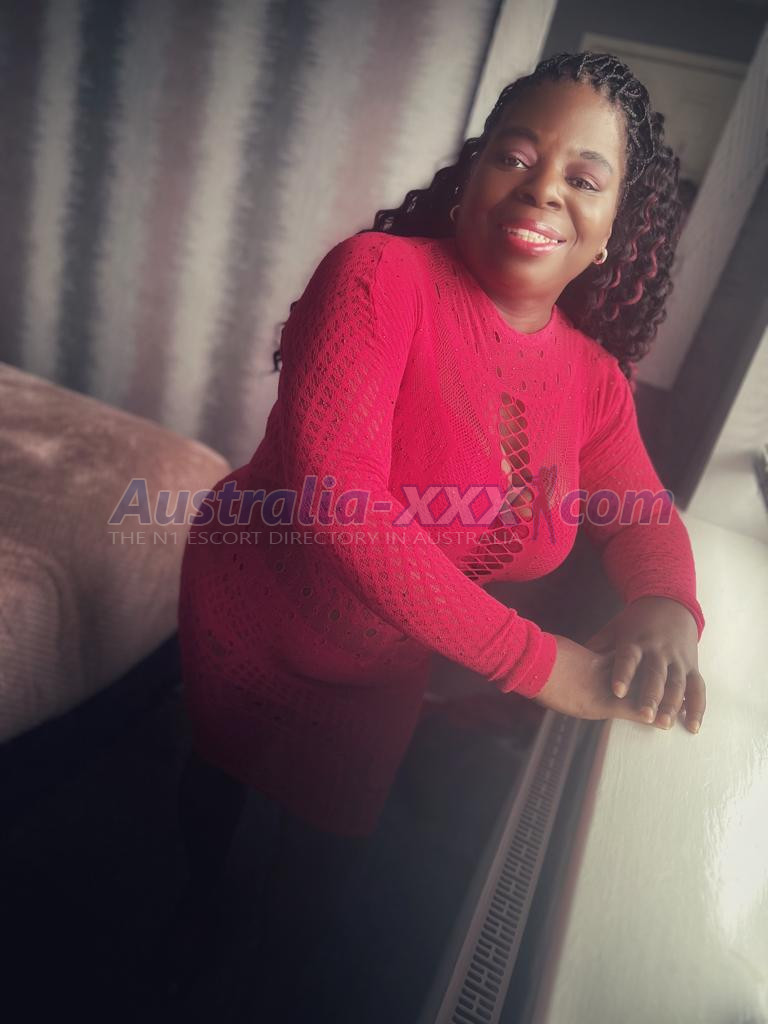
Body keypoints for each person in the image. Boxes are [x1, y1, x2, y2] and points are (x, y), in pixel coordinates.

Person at [173, 51, 707, 1015]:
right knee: (205, 811)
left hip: (382, 660)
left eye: (585, 178)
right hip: (254, 604)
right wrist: (545, 666)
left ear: (611, 235)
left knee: (318, 876)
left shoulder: (595, 383)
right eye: (516, 156)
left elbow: (642, 512)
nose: (542, 188)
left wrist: (668, 603)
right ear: (473, 175)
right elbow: (340, 502)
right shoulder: (378, 276)